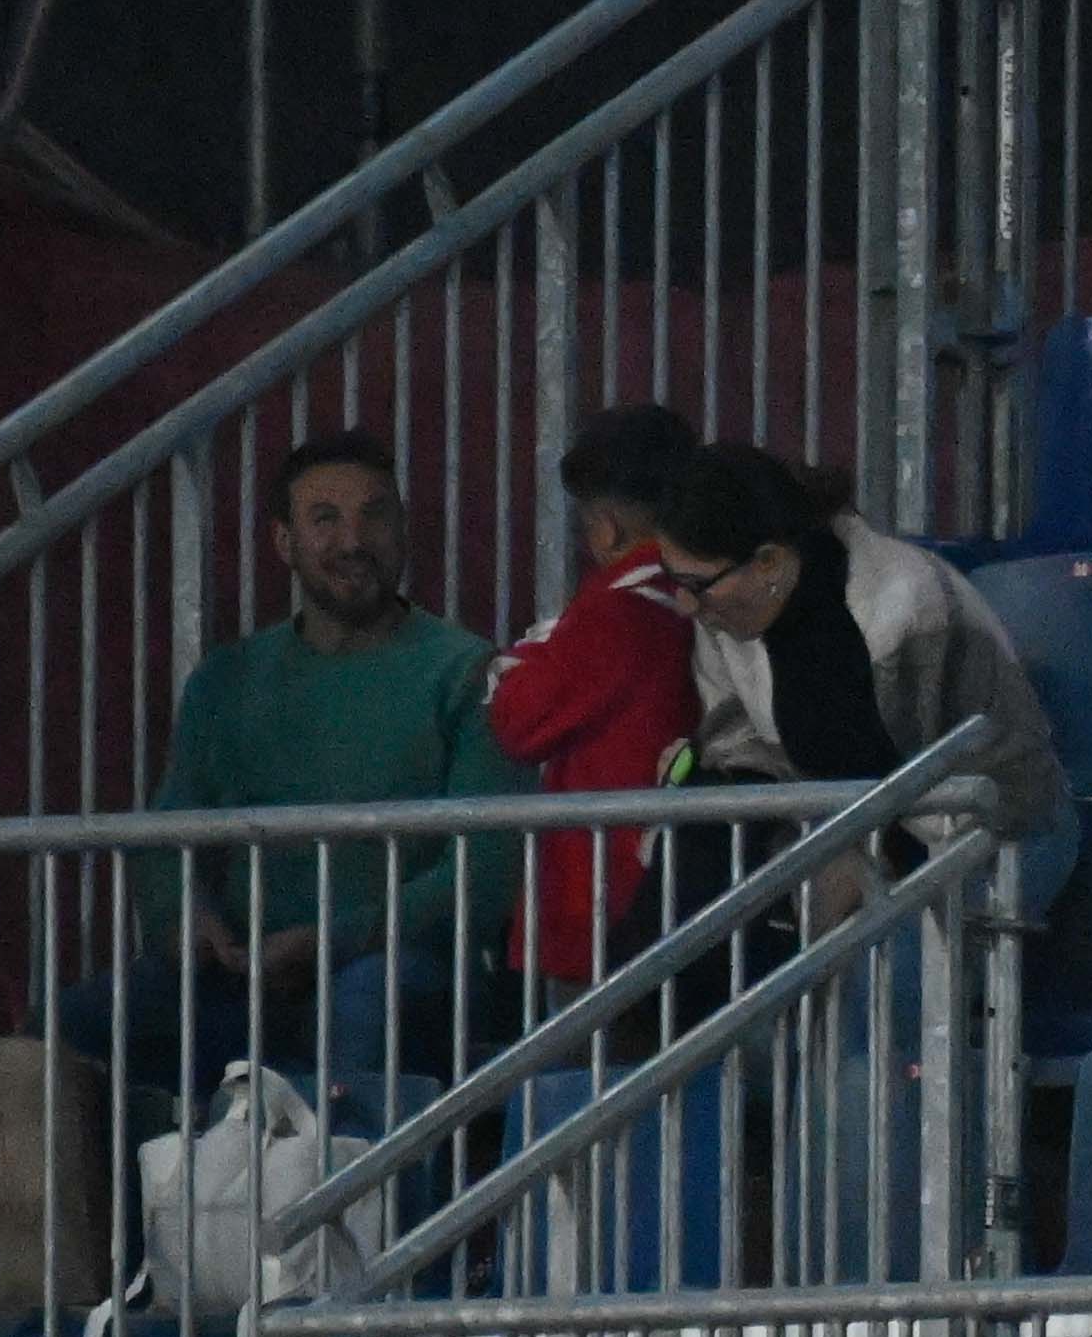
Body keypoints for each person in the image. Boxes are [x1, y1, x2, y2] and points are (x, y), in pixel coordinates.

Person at [125, 425, 512, 1097]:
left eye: (374, 516)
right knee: (74, 1024)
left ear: (404, 531)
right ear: (284, 542)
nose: (353, 542)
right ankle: (160, 1203)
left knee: (363, 999)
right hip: (243, 970)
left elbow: (480, 875)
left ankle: (354, 1204)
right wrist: (185, 921)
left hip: (407, 966)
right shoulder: (227, 679)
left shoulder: (468, 671)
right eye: (324, 519)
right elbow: (169, 835)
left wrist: (333, 940)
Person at [655, 443, 1068, 867]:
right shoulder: (724, 616)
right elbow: (743, 751)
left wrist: (870, 861)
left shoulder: (910, 611)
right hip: (838, 849)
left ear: (768, 562)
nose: (685, 604)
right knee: (697, 857)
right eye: (673, 579)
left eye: (697, 584)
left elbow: (1005, 788)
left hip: (988, 854)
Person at [483, 404, 712, 993]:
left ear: (604, 526)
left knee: (582, 1078)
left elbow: (518, 721)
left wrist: (521, 659)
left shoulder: (616, 609)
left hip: (597, 905)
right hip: (658, 886)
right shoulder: (700, 593)